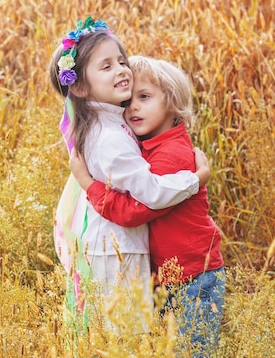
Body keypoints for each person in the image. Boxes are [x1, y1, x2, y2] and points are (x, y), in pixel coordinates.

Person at [49, 17, 210, 334]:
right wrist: (197, 178)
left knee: (116, 332)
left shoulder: (109, 123)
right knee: (125, 334)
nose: (122, 70)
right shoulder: (110, 137)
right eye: (106, 66)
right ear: (79, 86)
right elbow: (150, 193)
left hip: (114, 248)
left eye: (121, 61)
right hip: (117, 250)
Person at [69, 55, 225, 356]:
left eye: (144, 97)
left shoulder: (173, 155)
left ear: (172, 104)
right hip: (171, 277)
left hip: (194, 277)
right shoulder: (147, 146)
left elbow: (135, 210)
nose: (134, 108)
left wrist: (88, 184)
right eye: (129, 102)